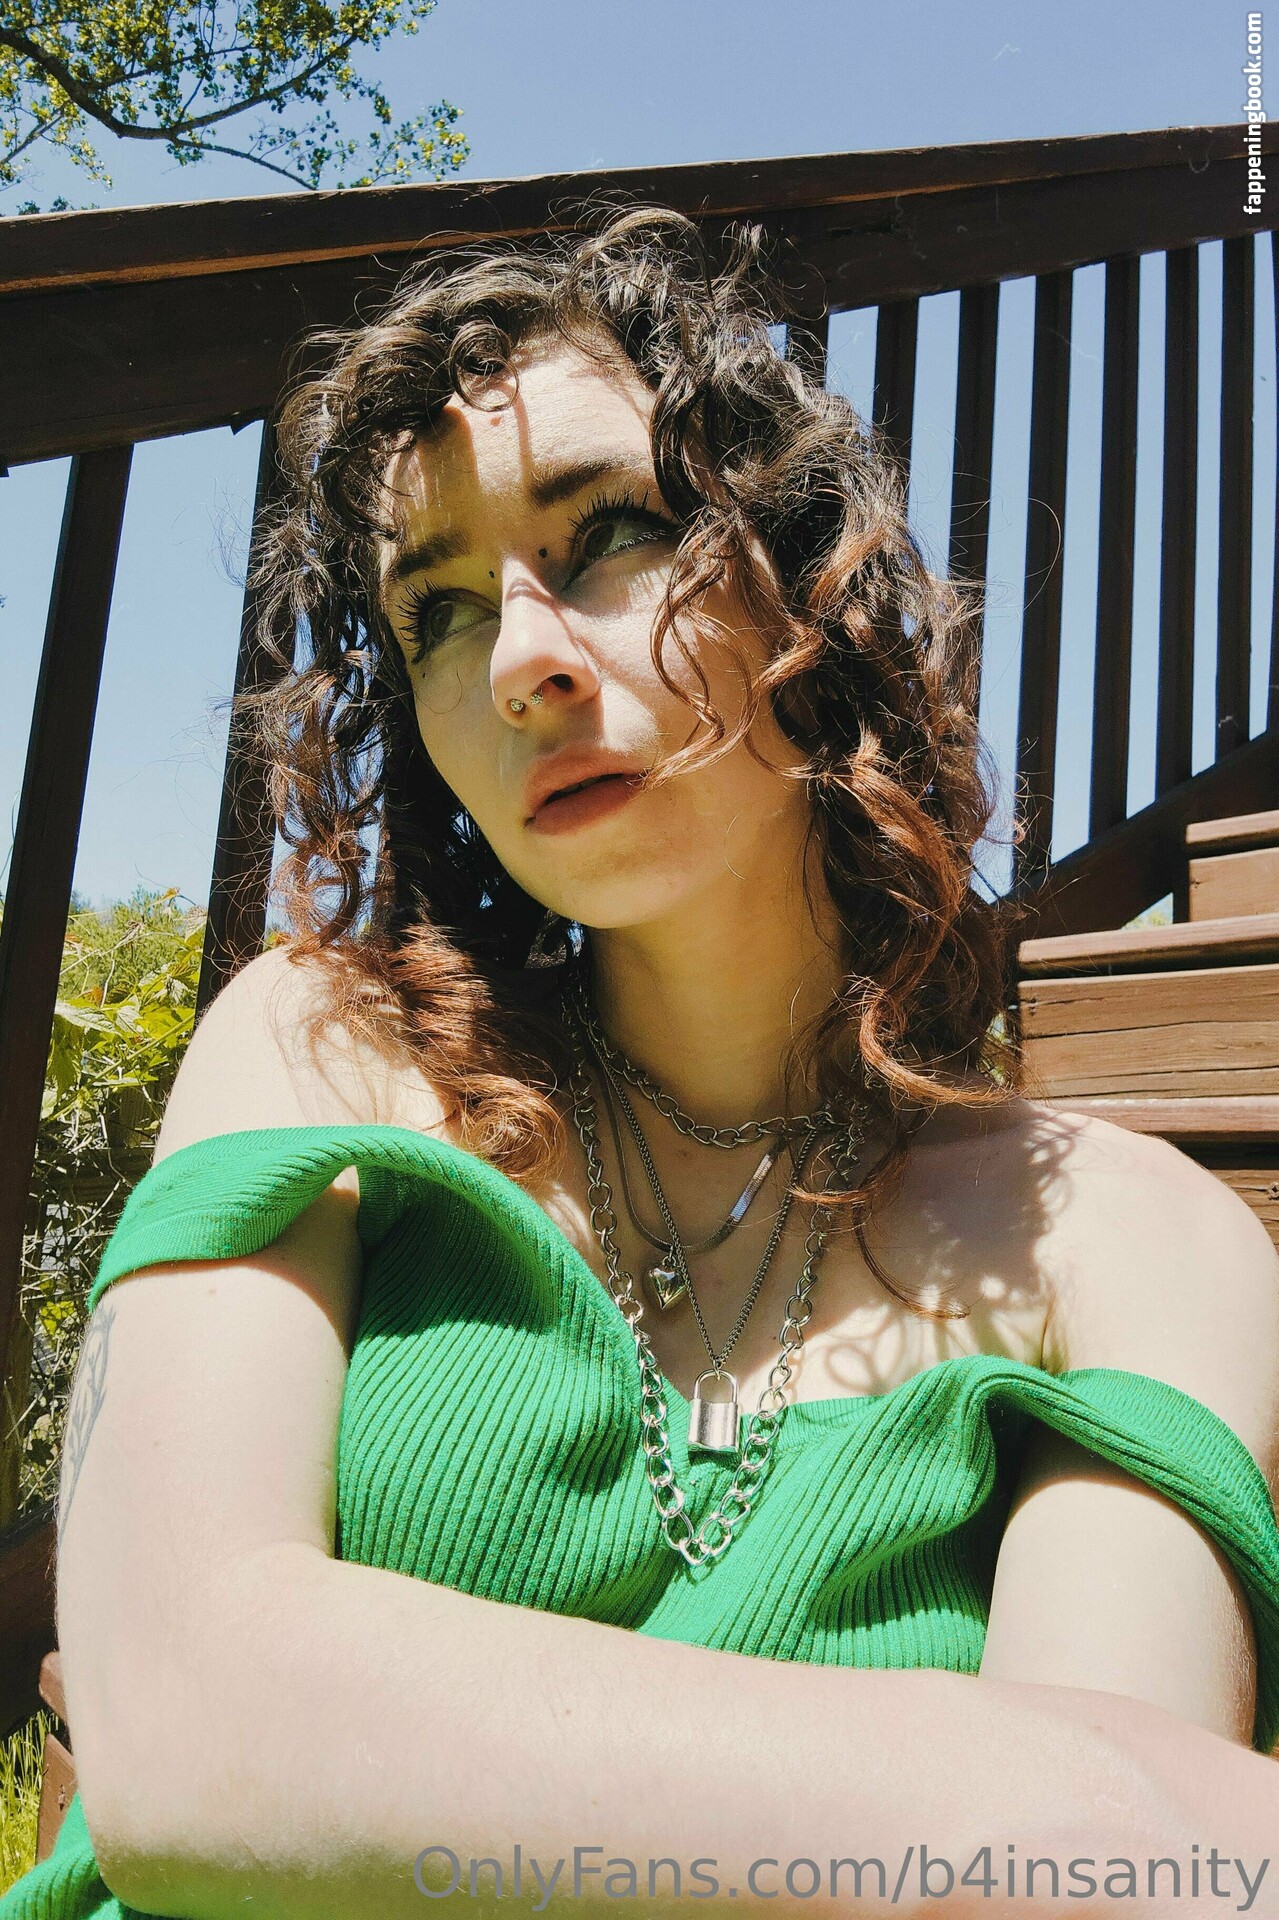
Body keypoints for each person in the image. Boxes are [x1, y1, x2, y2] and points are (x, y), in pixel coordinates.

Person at [7, 206, 1279, 1920]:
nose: (521, 663)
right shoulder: (325, 1059)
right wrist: (1035, 1789)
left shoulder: (1136, 1242)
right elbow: (185, 1733)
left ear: (805, 581)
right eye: (438, 611)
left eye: (610, 531)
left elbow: (1112, 1894)